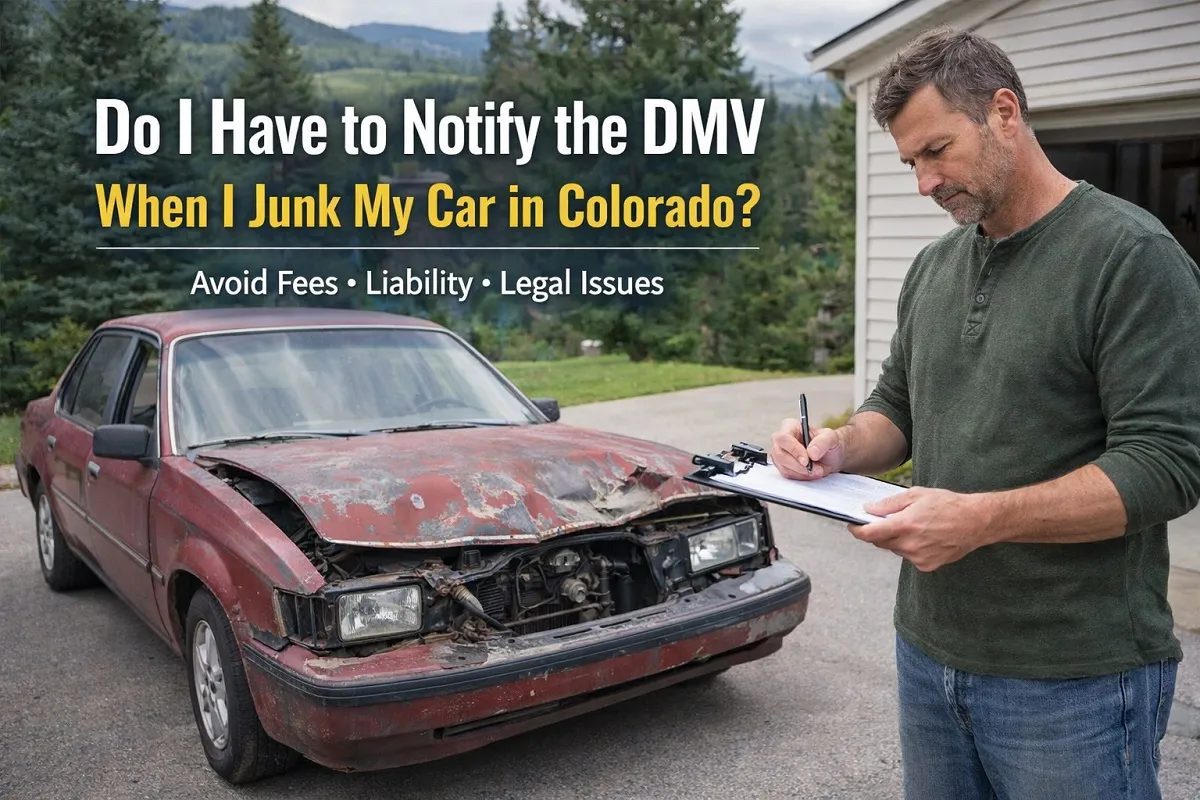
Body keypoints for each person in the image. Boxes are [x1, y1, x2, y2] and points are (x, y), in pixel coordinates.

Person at [771, 25, 1200, 800]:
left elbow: (1167, 465)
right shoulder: (935, 265)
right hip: (928, 654)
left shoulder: (1131, 257)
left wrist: (982, 519)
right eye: (909, 163)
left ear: (1004, 113)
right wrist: (836, 446)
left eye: (936, 151)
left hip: (1075, 678)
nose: (924, 184)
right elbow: (897, 408)